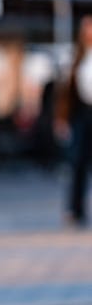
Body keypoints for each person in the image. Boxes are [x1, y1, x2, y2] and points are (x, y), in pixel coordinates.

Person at [58, 15, 92, 224]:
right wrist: (61, 118)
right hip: (82, 113)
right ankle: (75, 209)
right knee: (78, 161)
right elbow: (65, 92)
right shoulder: (76, 57)